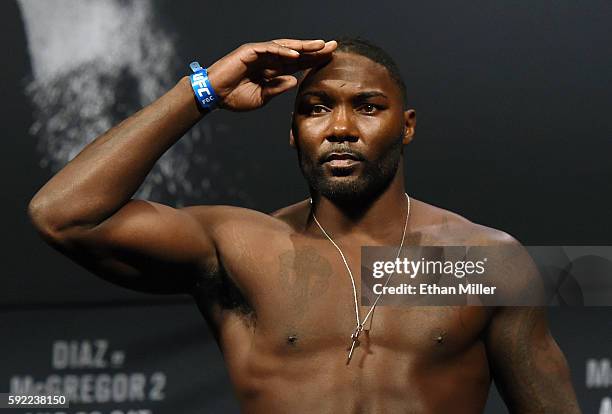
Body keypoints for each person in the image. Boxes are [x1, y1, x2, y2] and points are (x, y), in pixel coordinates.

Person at [28, 37, 581, 413]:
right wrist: (204, 90)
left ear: (405, 126)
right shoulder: (241, 247)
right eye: (315, 108)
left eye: (367, 107)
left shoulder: (479, 259)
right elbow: (64, 215)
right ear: (293, 132)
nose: (340, 127)